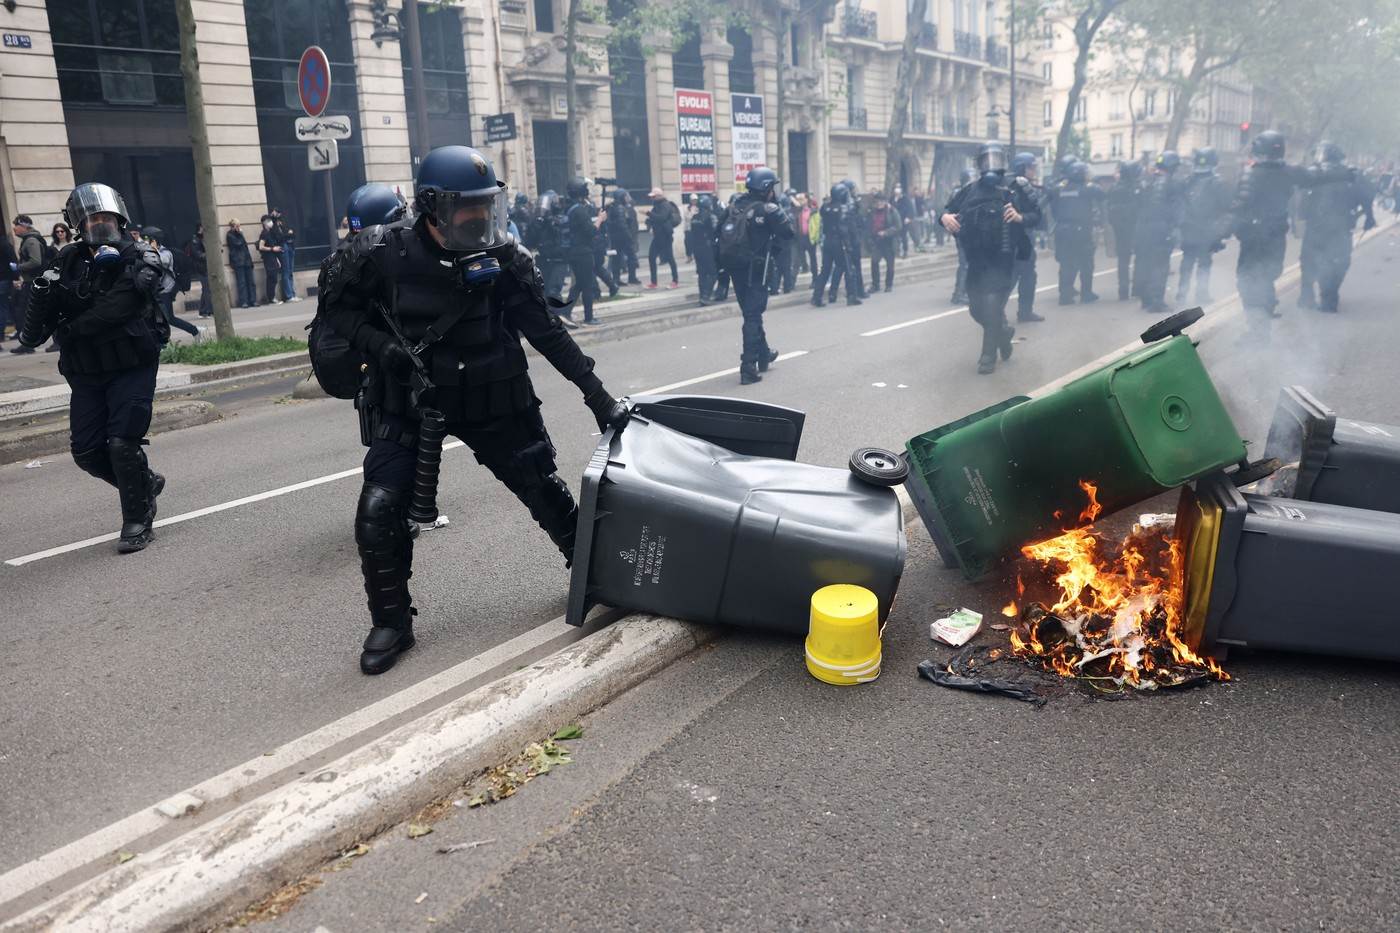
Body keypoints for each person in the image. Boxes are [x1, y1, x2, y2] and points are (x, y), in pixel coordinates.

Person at [321, 145, 629, 674]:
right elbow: (336, 311)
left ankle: (593, 575)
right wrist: (382, 347)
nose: (480, 218)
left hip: (491, 393)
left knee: (540, 485)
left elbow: (548, 333)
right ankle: (392, 621)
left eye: (487, 206)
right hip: (410, 400)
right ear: (433, 207)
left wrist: (596, 396)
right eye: (468, 209)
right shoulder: (382, 253)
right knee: (377, 510)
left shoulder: (505, 259)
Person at [14, 183, 168, 551]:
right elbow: (34, 331)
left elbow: (120, 305)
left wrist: (73, 326)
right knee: (85, 451)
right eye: (91, 218)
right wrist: (40, 296)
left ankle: (137, 518)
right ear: (78, 223)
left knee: (121, 443)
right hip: (86, 369)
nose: (99, 223)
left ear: (119, 218)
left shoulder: (139, 254)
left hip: (131, 362)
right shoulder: (65, 260)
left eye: (105, 217)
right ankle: (144, 482)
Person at [938, 142, 1041, 375]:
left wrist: (1020, 217)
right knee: (976, 309)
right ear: (979, 163)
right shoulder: (970, 190)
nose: (991, 165)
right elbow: (946, 211)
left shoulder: (1016, 186)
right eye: (986, 160)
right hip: (977, 260)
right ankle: (1002, 335)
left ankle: (988, 356)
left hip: (1006, 259)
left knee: (994, 306)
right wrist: (944, 218)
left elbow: (1038, 215)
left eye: (996, 159)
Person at [714, 166, 793, 385]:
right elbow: (789, 233)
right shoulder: (767, 210)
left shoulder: (734, 206)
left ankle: (764, 353)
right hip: (757, 270)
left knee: (751, 312)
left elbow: (716, 236)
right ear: (766, 188)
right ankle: (748, 366)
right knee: (753, 315)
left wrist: (720, 274)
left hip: (735, 269)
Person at [1230, 131, 1306, 326]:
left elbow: (1239, 207)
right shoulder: (1288, 173)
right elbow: (1317, 176)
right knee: (1267, 277)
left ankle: (1258, 328)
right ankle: (1264, 315)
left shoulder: (1251, 174)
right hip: (1276, 236)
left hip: (1253, 238)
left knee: (1247, 281)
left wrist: (1218, 234)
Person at [1298, 141, 1376, 313]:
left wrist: (1300, 217)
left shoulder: (1313, 173)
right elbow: (1368, 196)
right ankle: (1329, 297)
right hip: (1341, 228)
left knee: (1309, 261)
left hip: (1316, 228)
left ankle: (1306, 296)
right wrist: (1369, 217)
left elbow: (1299, 197)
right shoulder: (1353, 174)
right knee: (1339, 262)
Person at [1175, 148, 1229, 306]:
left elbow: (1180, 204)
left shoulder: (1187, 181)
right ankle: (1201, 294)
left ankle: (1181, 295)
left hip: (1189, 228)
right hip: (1206, 229)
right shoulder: (1217, 182)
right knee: (1204, 263)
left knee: (1187, 262)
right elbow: (1223, 207)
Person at [1133, 151, 1185, 314]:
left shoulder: (1146, 182)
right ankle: (1156, 302)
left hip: (1142, 228)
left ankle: (1145, 299)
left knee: (1145, 263)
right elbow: (1177, 210)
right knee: (1160, 265)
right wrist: (1176, 227)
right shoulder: (1173, 184)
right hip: (1161, 229)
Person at [1048, 160, 1104, 306]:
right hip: (1081, 230)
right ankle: (1086, 293)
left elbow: (1053, 208)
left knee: (1067, 263)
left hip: (1062, 229)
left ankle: (1065, 296)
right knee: (1086, 262)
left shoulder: (1058, 189)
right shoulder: (1088, 188)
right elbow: (1103, 196)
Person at [560, 177, 605, 326]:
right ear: (581, 191)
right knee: (587, 285)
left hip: (574, 251)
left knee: (580, 284)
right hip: (583, 252)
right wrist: (600, 219)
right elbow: (591, 231)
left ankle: (565, 313)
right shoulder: (579, 210)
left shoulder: (571, 207)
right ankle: (588, 318)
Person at [142, 227, 200, 339]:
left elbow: (159, 261)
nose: (144, 241)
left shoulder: (165, 253)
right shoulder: (147, 252)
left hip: (165, 291)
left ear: (154, 240)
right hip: (154, 291)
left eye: (147, 239)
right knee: (157, 318)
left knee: (168, 318)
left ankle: (195, 331)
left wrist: (152, 250)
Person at [1009, 153, 1046, 323]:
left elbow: (1036, 215)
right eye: (1031, 167)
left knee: (1028, 276)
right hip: (1014, 240)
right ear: (1023, 168)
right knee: (1011, 277)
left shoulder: (1027, 187)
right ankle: (996, 313)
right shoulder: (1015, 187)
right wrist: (1021, 218)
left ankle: (1025, 312)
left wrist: (1023, 218)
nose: (1034, 170)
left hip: (1023, 239)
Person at [810, 183, 858, 307]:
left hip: (827, 241)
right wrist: (849, 245)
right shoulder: (843, 208)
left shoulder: (825, 207)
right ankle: (851, 296)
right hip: (839, 242)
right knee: (848, 268)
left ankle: (817, 297)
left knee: (825, 270)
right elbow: (844, 229)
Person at [8, 214, 50, 354]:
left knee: (26, 314)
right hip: (30, 281)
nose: (14, 229)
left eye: (16, 226)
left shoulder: (31, 240)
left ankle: (28, 344)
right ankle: (27, 344)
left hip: (33, 282)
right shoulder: (28, 239)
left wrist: (18, 267)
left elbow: (36, 261)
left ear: (24, 226)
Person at [1106, 161, 1141, 301]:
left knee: (1123, 260)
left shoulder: (1114, 188)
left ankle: (1123, 291)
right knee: (1140, 258)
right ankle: (1137, 288)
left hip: (1119, 228)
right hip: (1135, 226)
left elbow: (1109, 207)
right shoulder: (1135, 188)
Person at [644, 188, 680, 288]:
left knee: (669, 258)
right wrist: (649, 221)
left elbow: (661, 217)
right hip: (658, 236)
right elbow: (654, 218)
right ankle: (654, 282)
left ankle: (675, 281)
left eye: (653, 197)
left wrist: (648, 213)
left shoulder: (665, 205)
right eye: (651, 197)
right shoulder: (656, 205)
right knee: (651, 257)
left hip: (665, 235)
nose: (651, 198)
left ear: (659, 196)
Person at [689, 193, 720, 303]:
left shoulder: (694, 218)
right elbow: (716, 231)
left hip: (697, 249)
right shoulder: (711, 217)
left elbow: (691, 234)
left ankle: (702, 295)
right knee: (713, 273)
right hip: (708, 248)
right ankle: (706, 295)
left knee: (701, 274)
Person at [867, 190, 900, 293]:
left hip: (889, 242)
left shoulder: (892, 211)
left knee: (890, 265)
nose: (878, 204)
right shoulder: (872, 211)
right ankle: (875, 284)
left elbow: (898, 226)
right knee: (874, 261)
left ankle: (888, 285)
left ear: (885, 202)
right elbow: (869, 225)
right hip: (877, 241)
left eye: (881, 201)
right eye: (877, 201)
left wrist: (886, 233)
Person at [604, 190, 637, 286]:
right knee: (631, 257)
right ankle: (632, 278)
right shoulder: (620, 208)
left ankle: (616, 279)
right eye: (626, 196)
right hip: (623, 237)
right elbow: (622, 224)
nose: (628, 198)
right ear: (621, 197)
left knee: (616, 259)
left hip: (615, 237)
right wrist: (629, 237)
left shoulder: (614, 206)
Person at [271, 207, 301, 302]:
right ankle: (288, 296)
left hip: (290, 246)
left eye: (278, 212)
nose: (277, 214)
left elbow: (292, 233)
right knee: (286, 271)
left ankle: (292, 294)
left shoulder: (283, 222)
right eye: (276, 213)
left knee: (290, 271)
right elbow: (279, 237)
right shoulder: (273, 224)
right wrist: (287, 234)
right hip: (283, 247)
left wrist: (287, 234)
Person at [225, 220, 257, 309]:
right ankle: (244, 301)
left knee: (251, 282)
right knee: (242, 282)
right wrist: (240, 234)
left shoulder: (240, 235)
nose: (239, 228)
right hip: (238, 261)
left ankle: (253, 300)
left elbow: (245, 247)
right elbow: (238, 244)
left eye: (239, 226)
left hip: (246, 260)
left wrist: (250, 261)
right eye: (237, 226)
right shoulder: (230, 235)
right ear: (233, 226)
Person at [256, 214, 283, 304]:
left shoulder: (269, 233)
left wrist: (277, 259)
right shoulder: (264, 233)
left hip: (272, 257)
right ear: (264, 223)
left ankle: (272, 297)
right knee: (272, 278)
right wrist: (272, 249)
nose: (270, 222)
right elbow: (261, 246)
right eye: (268, 221)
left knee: (274, 277)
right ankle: (271, 298)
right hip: (268, 258)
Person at [188, 224, 213, 317]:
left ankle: (203, 310)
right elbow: (197, 254)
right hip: (201, 268)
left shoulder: (204, 238)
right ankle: (207, 310)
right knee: (207, 289)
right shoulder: (195, 239)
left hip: (207, 267)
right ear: (200, 228)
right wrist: (209, 253)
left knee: (206, 289)